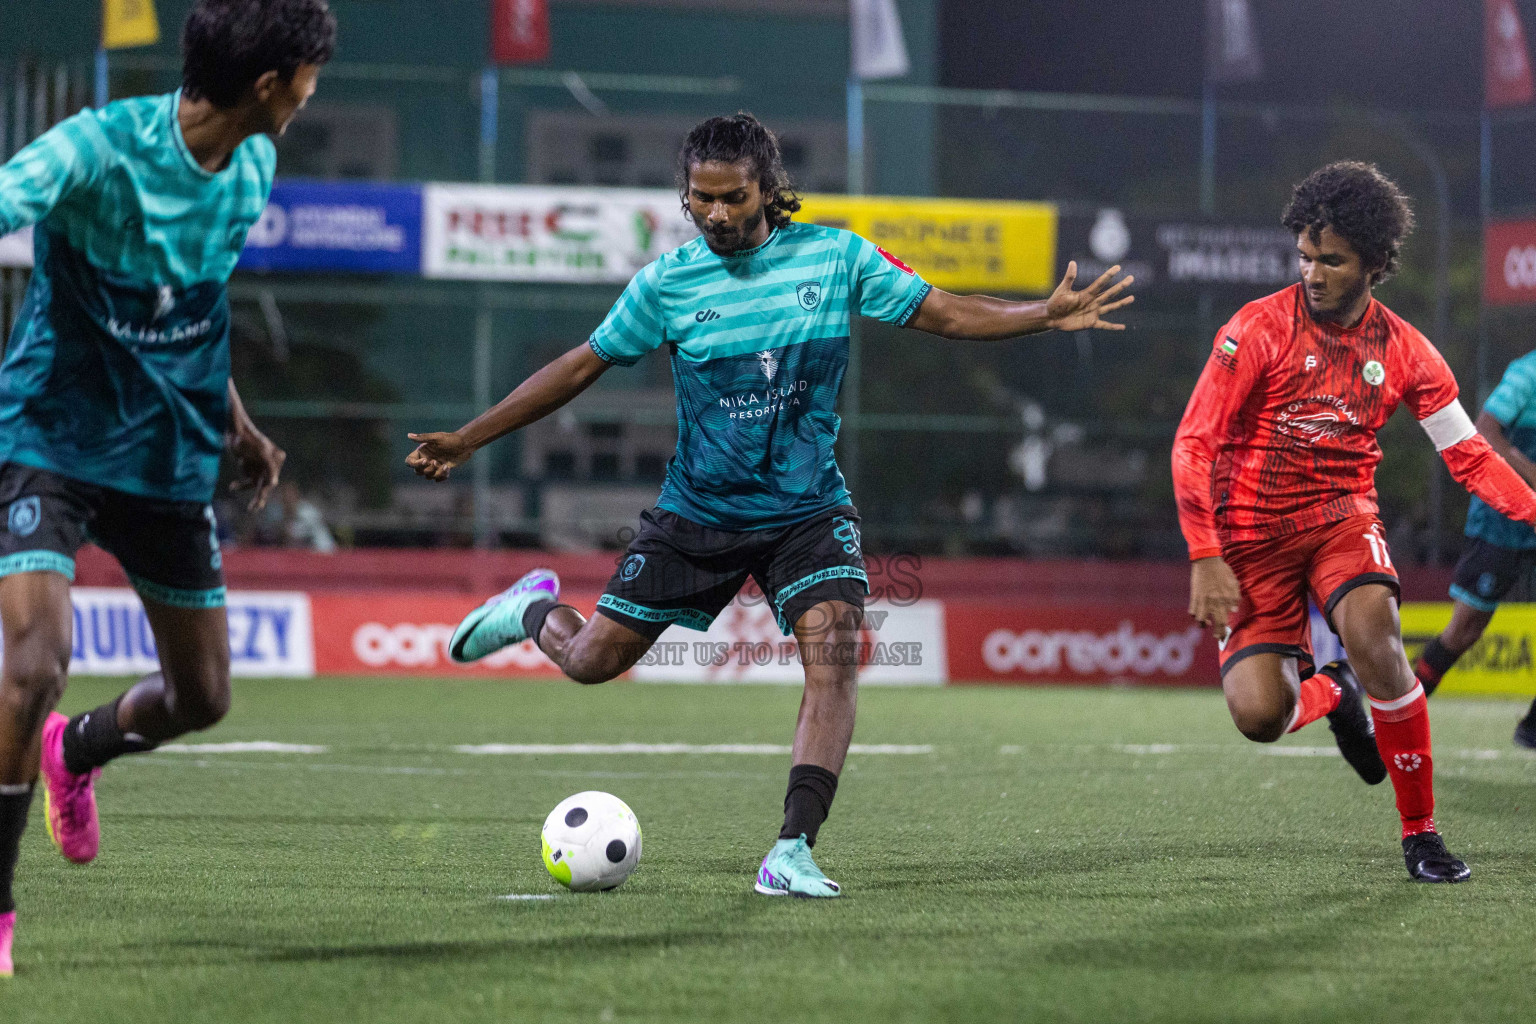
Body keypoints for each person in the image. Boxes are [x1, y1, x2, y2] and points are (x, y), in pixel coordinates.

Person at [405, 113, 1134, 898]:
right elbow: (582, 366)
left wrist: (1042, 314)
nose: (716, 214)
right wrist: (471, 437)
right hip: (700, 511)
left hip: (807, 511)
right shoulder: (667, 283)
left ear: (769, 189)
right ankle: (531, 612)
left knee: (836, 655)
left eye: (733, 197)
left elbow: (944, 311)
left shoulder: (836, 256)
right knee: (590, 664)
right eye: (701, 199)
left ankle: (792, 849)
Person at [0, 0, 335, 976]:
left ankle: (80, 750)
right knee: (33, 663)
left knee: (204, 696)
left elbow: (190, 300)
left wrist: (237, 426)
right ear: (272, 83)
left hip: (167, 456)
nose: (313, 96)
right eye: (310, 77)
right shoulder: (98, 151)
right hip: (51, 437)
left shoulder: (256, 165)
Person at [1174, 161, 1536, 884]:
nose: (1312, 273)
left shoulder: (1405, 350)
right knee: (1259, 717)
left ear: (1373, 263)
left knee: (1376, 635)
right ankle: (1334, 694)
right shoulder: (1256, 329)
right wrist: (1205, 553)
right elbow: (1194, 442)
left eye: (1331, 260)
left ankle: (1422, 836)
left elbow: (1469, 456)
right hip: (1249, 537)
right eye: (1305, 257)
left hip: (1343, 520)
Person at [1412, 351, 1536, 747]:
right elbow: (1484, 430)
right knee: (1465, 628)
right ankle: (1400, 715)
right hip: (1502, 518)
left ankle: (1532, 726)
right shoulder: (1526, 373)